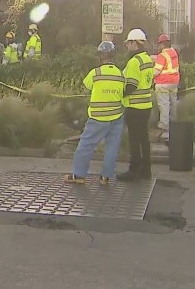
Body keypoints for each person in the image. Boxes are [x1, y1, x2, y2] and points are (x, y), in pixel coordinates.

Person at [64, 41, 125, 185]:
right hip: (117, 116)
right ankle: (106, 177)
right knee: (112, 147)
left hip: (98, 117)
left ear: (100, 56)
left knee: (85, 145)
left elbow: (86, 87)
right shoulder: (120, 74)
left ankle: (79, 175)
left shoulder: (95, 73)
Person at [117, 29, 156, 181]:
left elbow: (131, 85)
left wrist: (118, 94)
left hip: (134, 107)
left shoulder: (134, 62)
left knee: (134, 140)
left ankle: (134, 170)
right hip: (146, 106)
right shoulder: (146, 59)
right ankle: (146, 170)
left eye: (128, 43)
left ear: (134, 43)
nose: (127, 46)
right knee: (144, 139)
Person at [153, 33, 181, 142]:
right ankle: (174, 126)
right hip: (174, 83)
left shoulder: (162, 56)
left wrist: (148, 72)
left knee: (164, 105)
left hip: (163, 84)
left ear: (162, 44)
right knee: (173, 104)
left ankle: (164, 128)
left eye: (159, 44)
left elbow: (156, 71)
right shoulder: (173, 52)